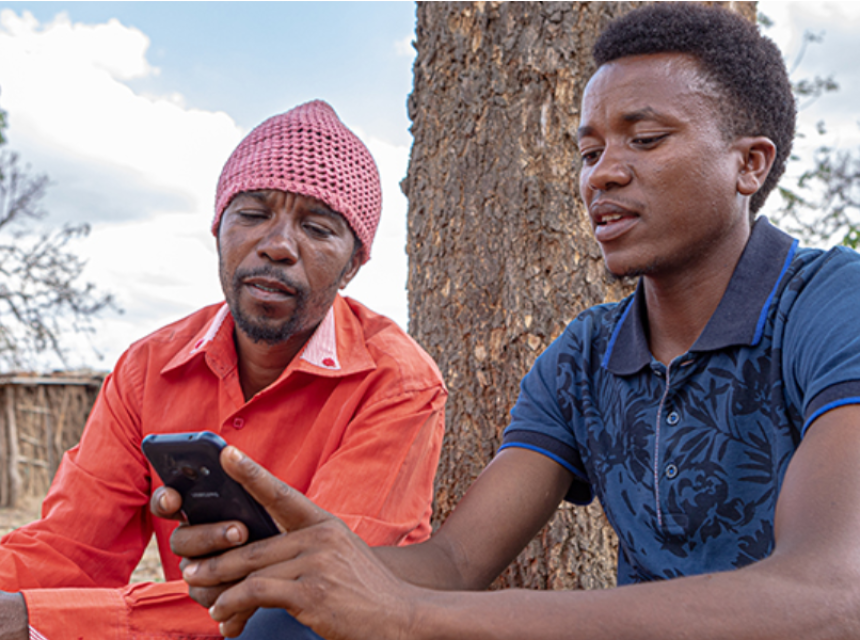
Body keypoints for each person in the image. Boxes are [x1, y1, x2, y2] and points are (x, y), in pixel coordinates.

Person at [171, 4, 860, 639]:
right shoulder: (585, 357)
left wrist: (407, 615)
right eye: (590, 153)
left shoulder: (830, 305)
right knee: (289, 619)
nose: (602, 176)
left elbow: (831, 597)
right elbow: (455, 561)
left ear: (749, 163)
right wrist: (299, 560)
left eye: (645, 140)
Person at [0, 100, 447, 639]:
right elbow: (70, 549)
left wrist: (32, 620)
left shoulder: (396, 383)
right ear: (218, 230)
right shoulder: (149, 368)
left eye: (318, 227)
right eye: (253, 215)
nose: (278, 245)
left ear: (353, 265)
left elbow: (313, 595)